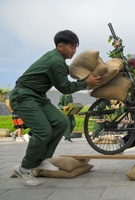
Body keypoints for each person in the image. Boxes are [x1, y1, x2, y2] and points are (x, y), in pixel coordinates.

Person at [9, 30, 101, 186]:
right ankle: (24, 168)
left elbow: (70, 72)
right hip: (24, 96)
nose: (75, 51)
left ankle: (41, 158)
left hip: (38, 97)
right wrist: (86, 83)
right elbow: (65, 87)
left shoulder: (58, 60)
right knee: (43, 131)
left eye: (76, 47)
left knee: (61, 123)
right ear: (60, 46)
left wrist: (85, 72)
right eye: (72, 47)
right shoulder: (55, 61)